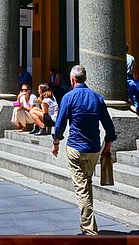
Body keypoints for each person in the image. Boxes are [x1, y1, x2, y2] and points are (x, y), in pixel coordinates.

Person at [51, 65, 116, 236]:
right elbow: (109, 125)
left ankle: (89, 230)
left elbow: (59, 125)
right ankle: (88, 226)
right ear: (85, 79)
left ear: (72, 79)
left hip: (75, 147)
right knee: (86, 183)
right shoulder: (97, 97)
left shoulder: (68, 97)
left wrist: (56, 141)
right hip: (94, 148)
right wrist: (108, 142)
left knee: (81, 189)